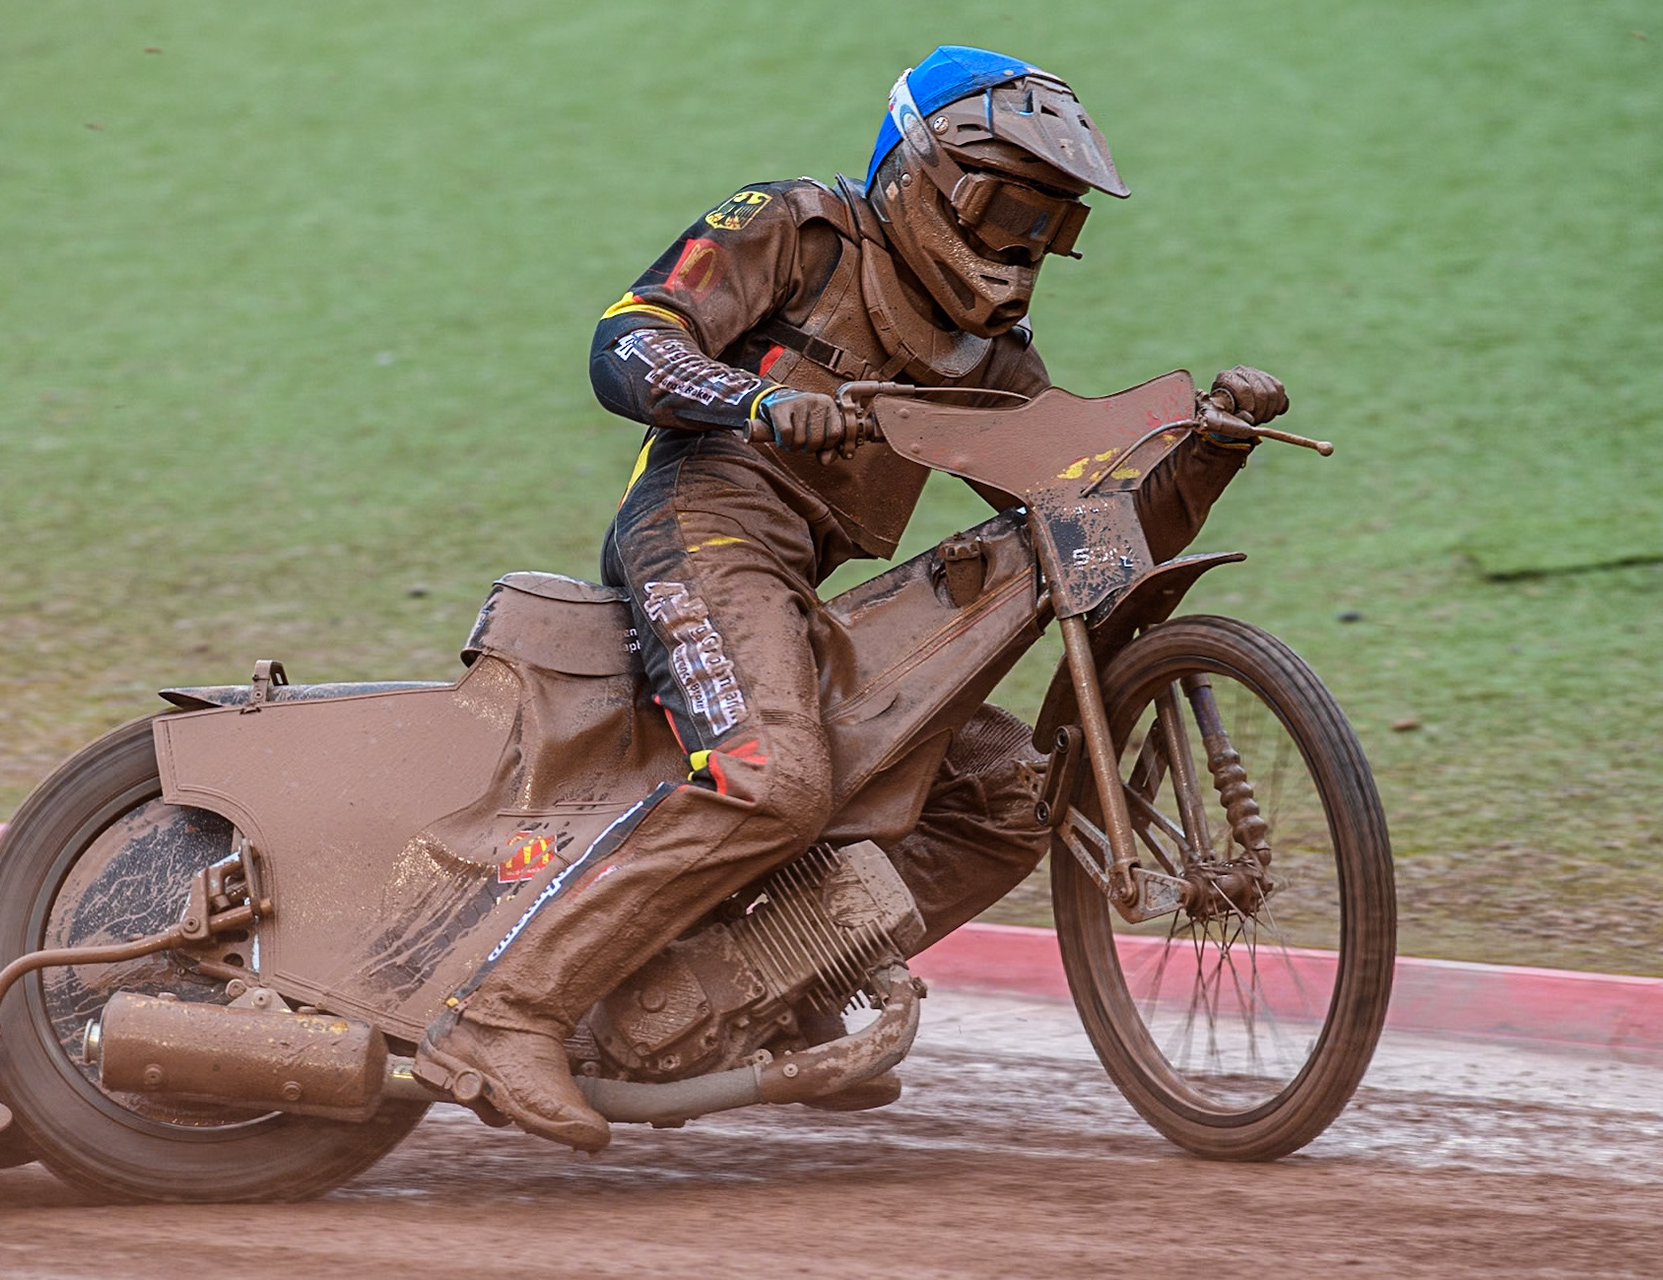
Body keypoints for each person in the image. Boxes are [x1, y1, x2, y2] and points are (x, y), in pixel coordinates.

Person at [416, 45, 1289, 1152]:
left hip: (800, 593)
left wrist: (1208, 454)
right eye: (1008, 207)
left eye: (1048, 226)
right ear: (925, 172)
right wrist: (757, 403)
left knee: (1016, 795)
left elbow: (1091, 532)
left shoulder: (989, 355)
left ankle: (762, 990)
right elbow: (628, 338)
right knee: (771, 778)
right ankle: (504, 1013)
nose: (1021, 248)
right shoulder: (797, 225)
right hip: (702, 524)